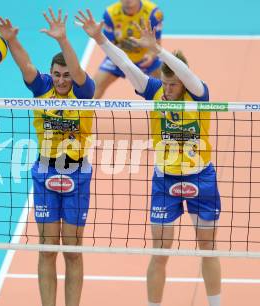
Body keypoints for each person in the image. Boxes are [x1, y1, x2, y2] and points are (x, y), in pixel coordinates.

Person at [76, 10, 221, 306]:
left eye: (172, 85)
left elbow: (190, 77)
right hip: (164, 180)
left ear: (181, 83)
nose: (167, 89)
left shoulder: (198, 95)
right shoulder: (155, 92)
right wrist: (100, 39)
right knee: (160, 250)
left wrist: (157, 51)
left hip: (201, 177)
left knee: (207, 247)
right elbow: (126, 65)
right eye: (164, 84)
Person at [0, 8, 95, 306]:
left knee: (73, 250)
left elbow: (77, 72)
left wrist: (63, 39)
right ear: (51, 74)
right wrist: (11, 41)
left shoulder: (83, 90)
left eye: (65, 75)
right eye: (57, 75)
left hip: (77, 174)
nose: (62, 80)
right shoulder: (41, 88)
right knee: (48, 248)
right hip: (46, 172)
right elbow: (25, 65)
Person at [93, 0, 163, 99]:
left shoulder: (154, 12)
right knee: (94, 87)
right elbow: (109, 45)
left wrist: (151, 55)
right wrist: (121, 60)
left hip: (145, 58)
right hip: (118, 57)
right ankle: (83, 113)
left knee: (165, 88)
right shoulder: (110, 13)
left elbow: (156, 43)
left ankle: (166, 114)